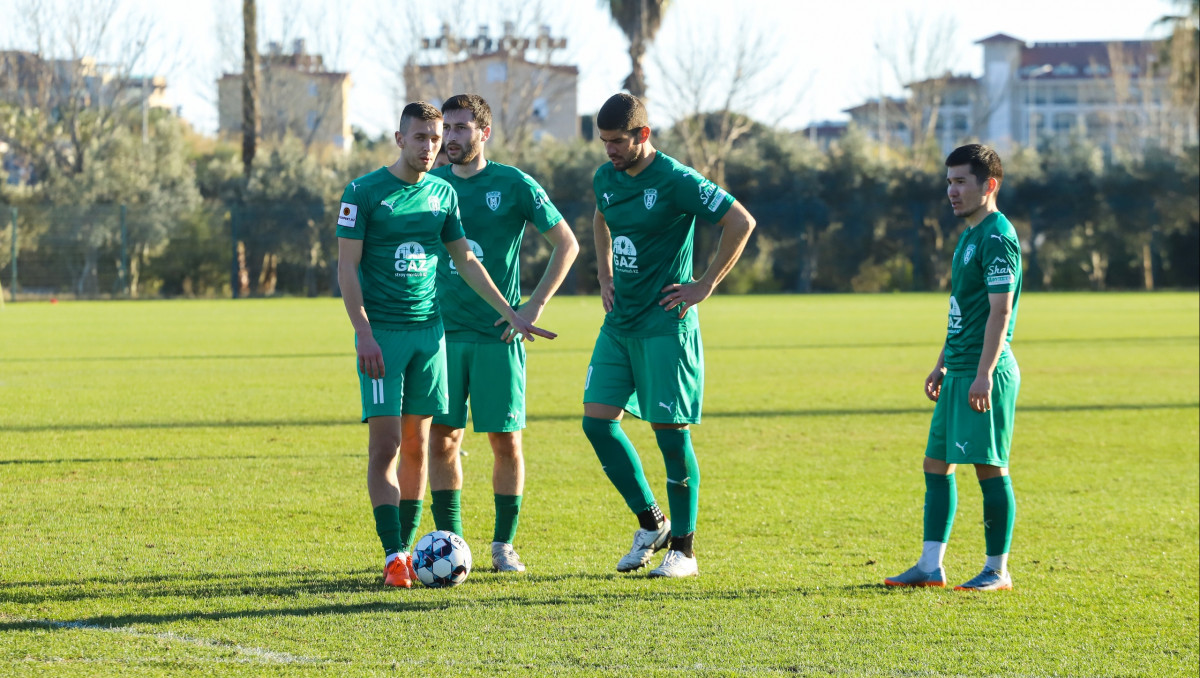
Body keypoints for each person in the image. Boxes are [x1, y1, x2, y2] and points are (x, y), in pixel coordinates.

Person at [336, 101, 554, 589]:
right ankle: (393, 553)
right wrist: (363, 331)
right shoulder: (364, 193)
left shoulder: (442, 194)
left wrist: (513, 312)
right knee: (386, 445)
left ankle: (408, 555)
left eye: (436, 139)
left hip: (430, 337)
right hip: (383, 338)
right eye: (421, 138)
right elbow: (346, 268)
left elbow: (469, 263)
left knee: (417, 444)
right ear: (399, 139)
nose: (431, 147)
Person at [581, 93, 756, 578]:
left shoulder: (677, 180)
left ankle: (685, 549)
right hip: (620, 324)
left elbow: (741, 220)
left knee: (670, 435)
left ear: (643, 135)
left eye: (618, 142)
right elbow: (601, 216)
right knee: (596, 423)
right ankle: (651, 522)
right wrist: (605, 274)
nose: (609, 151)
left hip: (665, 323)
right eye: (604, 142)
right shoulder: (605, 178)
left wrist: (705, 285)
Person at [426, 94, 579, 572]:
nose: (450, 138)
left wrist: (532, 305)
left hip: (500, 335)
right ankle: (447, 539)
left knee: (505, 441)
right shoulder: (428, 185)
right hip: (442, 337)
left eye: (460, 129)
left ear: (484, 133)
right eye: (446, 129)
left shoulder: (513, 184)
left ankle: (501, 546)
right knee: (443, 438)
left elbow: (567, 244)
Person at [885, 143, 1022, 592]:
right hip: (959, 368)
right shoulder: (968, 236)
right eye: (949, 181)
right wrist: (941, 364)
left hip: (985, 372)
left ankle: (996, 570)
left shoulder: (997, 236)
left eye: (962, 181)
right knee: (936, 464)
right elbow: (964, 310)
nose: (952, 190)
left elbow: (1000, 313)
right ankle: (930, 567)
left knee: (989, 467)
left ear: (990, 185)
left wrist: (983, 373)